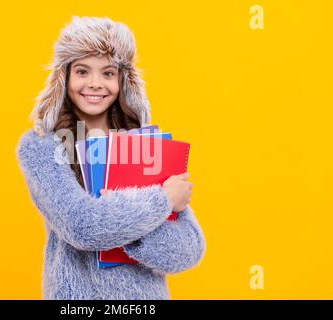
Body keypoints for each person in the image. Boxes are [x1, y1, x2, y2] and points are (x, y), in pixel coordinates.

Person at [16, 16, 205, 300]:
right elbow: (81, 225)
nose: (94, 84)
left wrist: (127, 230)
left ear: (123, 80)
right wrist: (163, 200)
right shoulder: (41, 146)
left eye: (107, 73)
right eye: (82, 71)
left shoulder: (145, 144)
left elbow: (189, 249)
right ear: (64, 77)